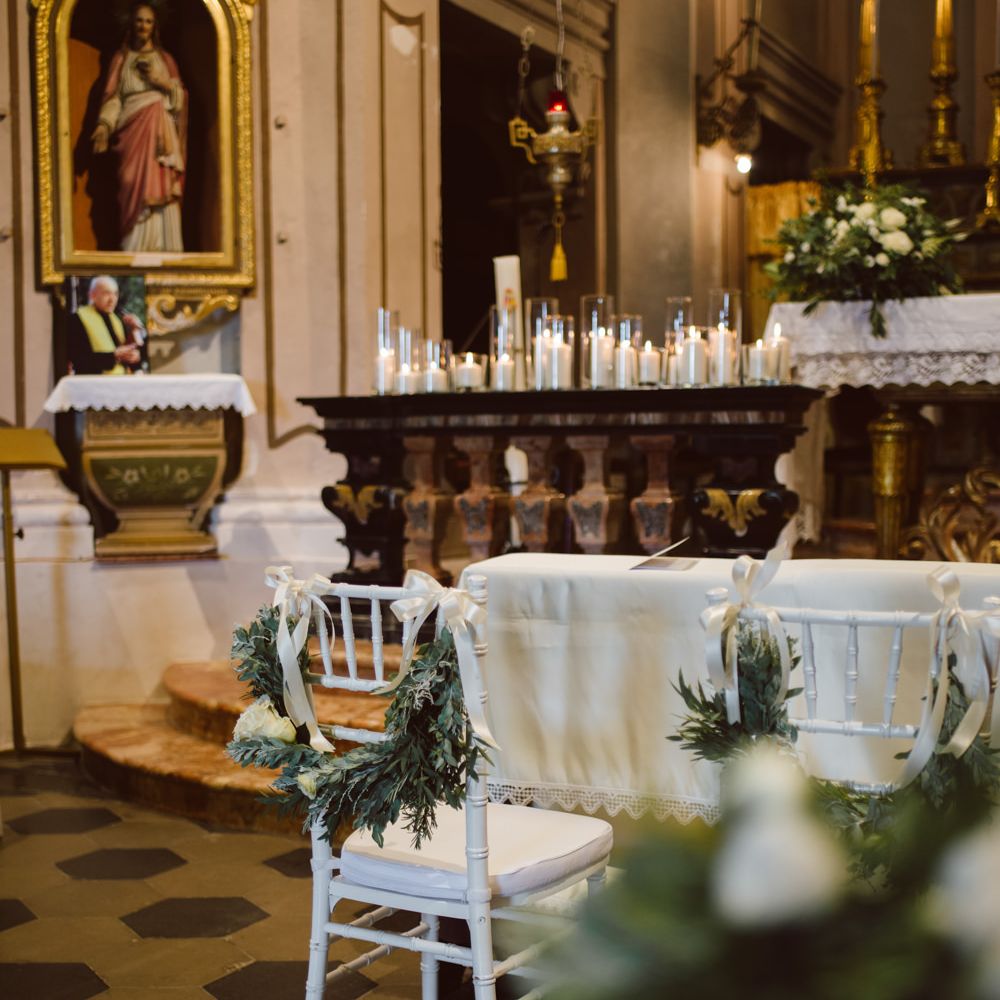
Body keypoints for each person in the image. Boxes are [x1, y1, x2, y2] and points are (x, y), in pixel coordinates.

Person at [90, 2, 186, 252]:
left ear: (154, 27)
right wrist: (103, 126)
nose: (143, 26)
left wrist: (160, 82)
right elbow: (114, 99)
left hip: (160, 136)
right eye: (139, 21)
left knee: (161, 187)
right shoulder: (121, 60)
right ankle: (134, 247)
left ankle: (164, 247)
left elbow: (179, 102)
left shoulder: (165, 60)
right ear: (131, 24)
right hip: (131, 132)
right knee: (130, 180)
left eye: (148, 21)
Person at [68, 276, 148, 375]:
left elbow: (131, 356)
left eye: (115, 294)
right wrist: (114, 356)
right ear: (92, 295)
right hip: (92, 383)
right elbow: (80, 360)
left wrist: (133, 354)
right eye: (106, 293)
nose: (112, 299)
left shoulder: (117, 320)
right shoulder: (77, 318)